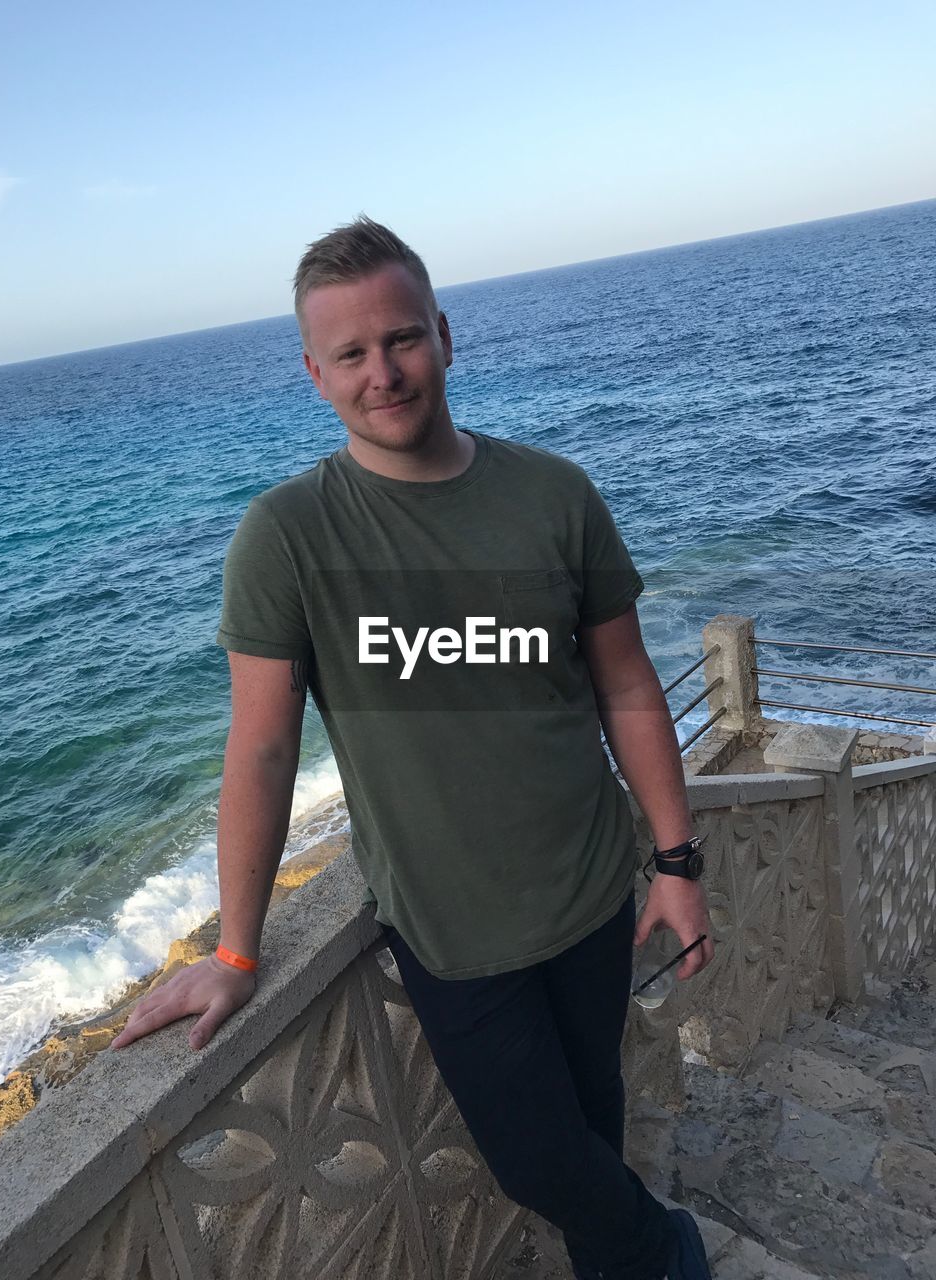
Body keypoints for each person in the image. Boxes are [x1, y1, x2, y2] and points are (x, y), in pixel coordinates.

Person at [111, 217, 716, 1280]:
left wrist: (676, 862)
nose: (381, 372)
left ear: (443, 335)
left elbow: (625, 683)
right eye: (350, 353)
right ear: (314, 373)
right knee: (537, 1161)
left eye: (401, 340)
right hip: (448, 926)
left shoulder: (553, 494)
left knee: (594, 1124)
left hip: (589, 887)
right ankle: (666, 1245)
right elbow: (259, 749)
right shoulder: (289, 535)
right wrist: (238, 952)